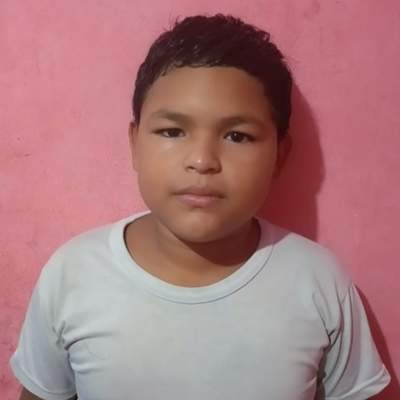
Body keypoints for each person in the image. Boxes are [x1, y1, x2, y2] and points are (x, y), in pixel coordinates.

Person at [10, 13, 390, 400]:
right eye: (172, 131)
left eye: (237, 136)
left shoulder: (318, 282)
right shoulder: (73, 275)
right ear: (135, 143)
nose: (202, 160)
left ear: (280, 155)